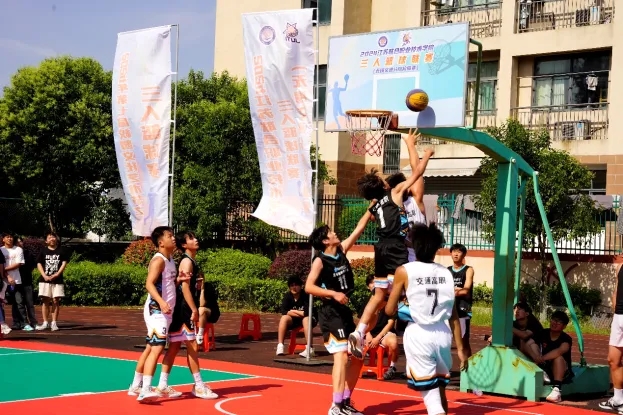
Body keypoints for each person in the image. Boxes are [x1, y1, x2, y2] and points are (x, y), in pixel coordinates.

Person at [349, 129, 434, 359]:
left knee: (379, 295)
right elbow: (417, 172)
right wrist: (426, 154)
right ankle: (419, 330)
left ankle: (359, 331)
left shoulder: (378, 204)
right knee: (412, 290)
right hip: (400, 248)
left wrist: (410, 144)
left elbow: (366, 222)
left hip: (382, 247)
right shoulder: (396, 193)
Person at [385, 222, 468, 415]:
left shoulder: (404, 271)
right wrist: (461, 349)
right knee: (439, 388)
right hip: (443, 334)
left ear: (414, 245)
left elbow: (389, 310)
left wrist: (403, 304)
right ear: (436, 248)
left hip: (419, 333)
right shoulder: (446, 273)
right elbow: (454, 315)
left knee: (432, 401)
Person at [305, 209, 373, 415]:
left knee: (358, 357)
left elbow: (358, 229)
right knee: (341, 356)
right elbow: (309, 286)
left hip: (343, 311)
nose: (334, 232)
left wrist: (372, 208)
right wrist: (333, 293)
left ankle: (345, 401)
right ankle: (335, 406)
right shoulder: (320, 261)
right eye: (330, 232)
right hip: (330, 312)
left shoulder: (341, 250)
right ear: (325, 241)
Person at [154, 230, 219, 400]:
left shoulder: (190, 261)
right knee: (192, 346)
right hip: (183, 308)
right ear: (184, 245)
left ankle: (162, 384)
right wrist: (194, 310)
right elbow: (184, 288)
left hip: (181, 308)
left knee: (174, 347)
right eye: (191, 238)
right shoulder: (186, 261)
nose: (196, 240)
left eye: (195, 237)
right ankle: (198, 386)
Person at [133, 226, 190, 403]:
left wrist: (178, 280)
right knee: (157, 347)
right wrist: (161, 302)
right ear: (160, 242)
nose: (173, 238)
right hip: (157, 310)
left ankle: (135, 385)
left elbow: (166, 283)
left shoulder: (170, 259)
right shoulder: (158, 260)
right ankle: (145, 389)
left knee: (151, 347)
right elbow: (149, 284)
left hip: (165, 310)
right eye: (169, 236)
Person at [359, 274, 400, 380]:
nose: (374, 285)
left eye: (376, 282)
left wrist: (378, 337)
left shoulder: (390, 302)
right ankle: (358, 368)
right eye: (371, 283)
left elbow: (390, 323)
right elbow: (362, 321)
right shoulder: (366, 302)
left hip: (384, 334)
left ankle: (392, 368)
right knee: (354, 342)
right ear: (368, 286)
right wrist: (367, 333)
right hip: (369, 333)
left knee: (394, 343)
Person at [534, 311, 573, 403]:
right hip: (543, 365)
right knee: (529, 344)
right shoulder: (543, 333)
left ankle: (557, 389)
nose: (555, 323)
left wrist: (542, 358)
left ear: (564, 326)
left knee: (558, 358)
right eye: (553, 320)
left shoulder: (566, 338)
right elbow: (531, 343)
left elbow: (561, 350)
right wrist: (536, 356)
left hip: (560, 369)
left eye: (559, 322)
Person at [276, 275, 317, 358]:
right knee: (284, 318)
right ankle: (280, 346)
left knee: (306, 319)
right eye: (292, 285)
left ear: (300, 286)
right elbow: (284, 311)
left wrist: (292, 311)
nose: (294, 287)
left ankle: (310, 348)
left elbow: (306, 313)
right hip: (295, 320)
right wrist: (299, 313)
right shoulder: (287, 296)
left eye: (296, 285)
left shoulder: (306, 296)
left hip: (310, 319)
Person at [35, 232, 69, 331]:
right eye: (49, 237)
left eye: (53, 237)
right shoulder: (43, 250)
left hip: (57, 280)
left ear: (56, 239)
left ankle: (54, 323)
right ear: (46, 241)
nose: (52, 239)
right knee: (45, 301)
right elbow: (39, 263)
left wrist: (57, 274)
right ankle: (45, 322)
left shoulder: (61, 250)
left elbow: (64, 263)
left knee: (55, 300)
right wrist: (44, 275)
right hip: (45, 280)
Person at [602, 263, 623, 411]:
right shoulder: (620, 265)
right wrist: (615, 310)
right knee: (613, 359)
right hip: (619, 316)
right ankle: (618, 399)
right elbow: (616, 290)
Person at [448, 243, 473, 358]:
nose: (456, 254)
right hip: (449, 309)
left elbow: (466, 290)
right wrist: (457, 289)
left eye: (459, 252)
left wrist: (452, 291)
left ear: (464, 255)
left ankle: (469, 365)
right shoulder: (447, 270)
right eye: (454, 251)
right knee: (445, 340)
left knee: (464, 342)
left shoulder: (468, 270)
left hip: (462, 310)